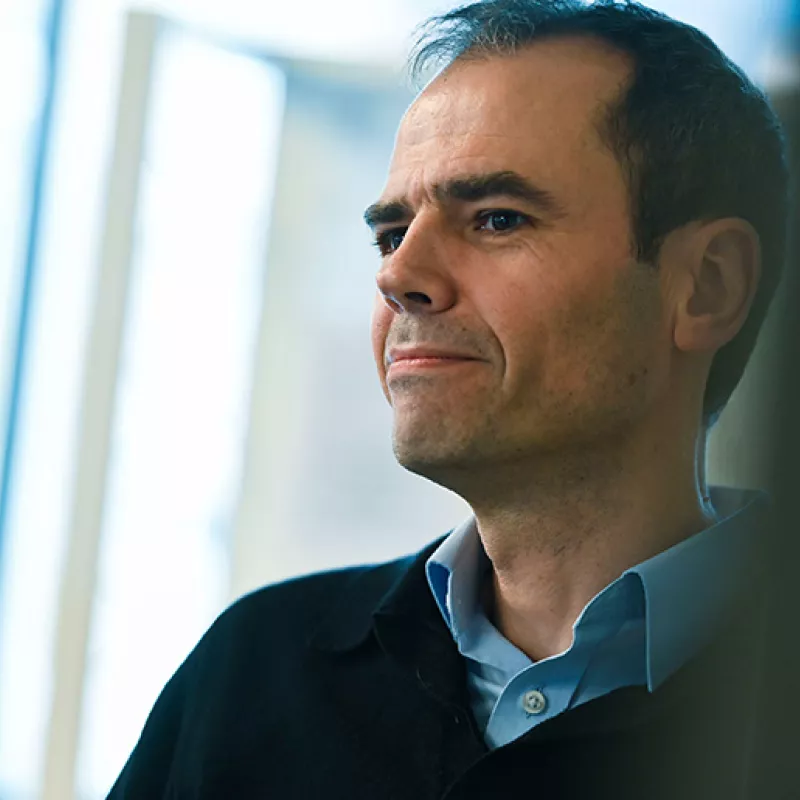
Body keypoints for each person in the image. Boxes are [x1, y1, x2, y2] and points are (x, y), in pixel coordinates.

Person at [107, 1, 789, 798]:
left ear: (705, 287)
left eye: (497, 219)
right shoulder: (251, 671)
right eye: (392, 234)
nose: (397, 277)